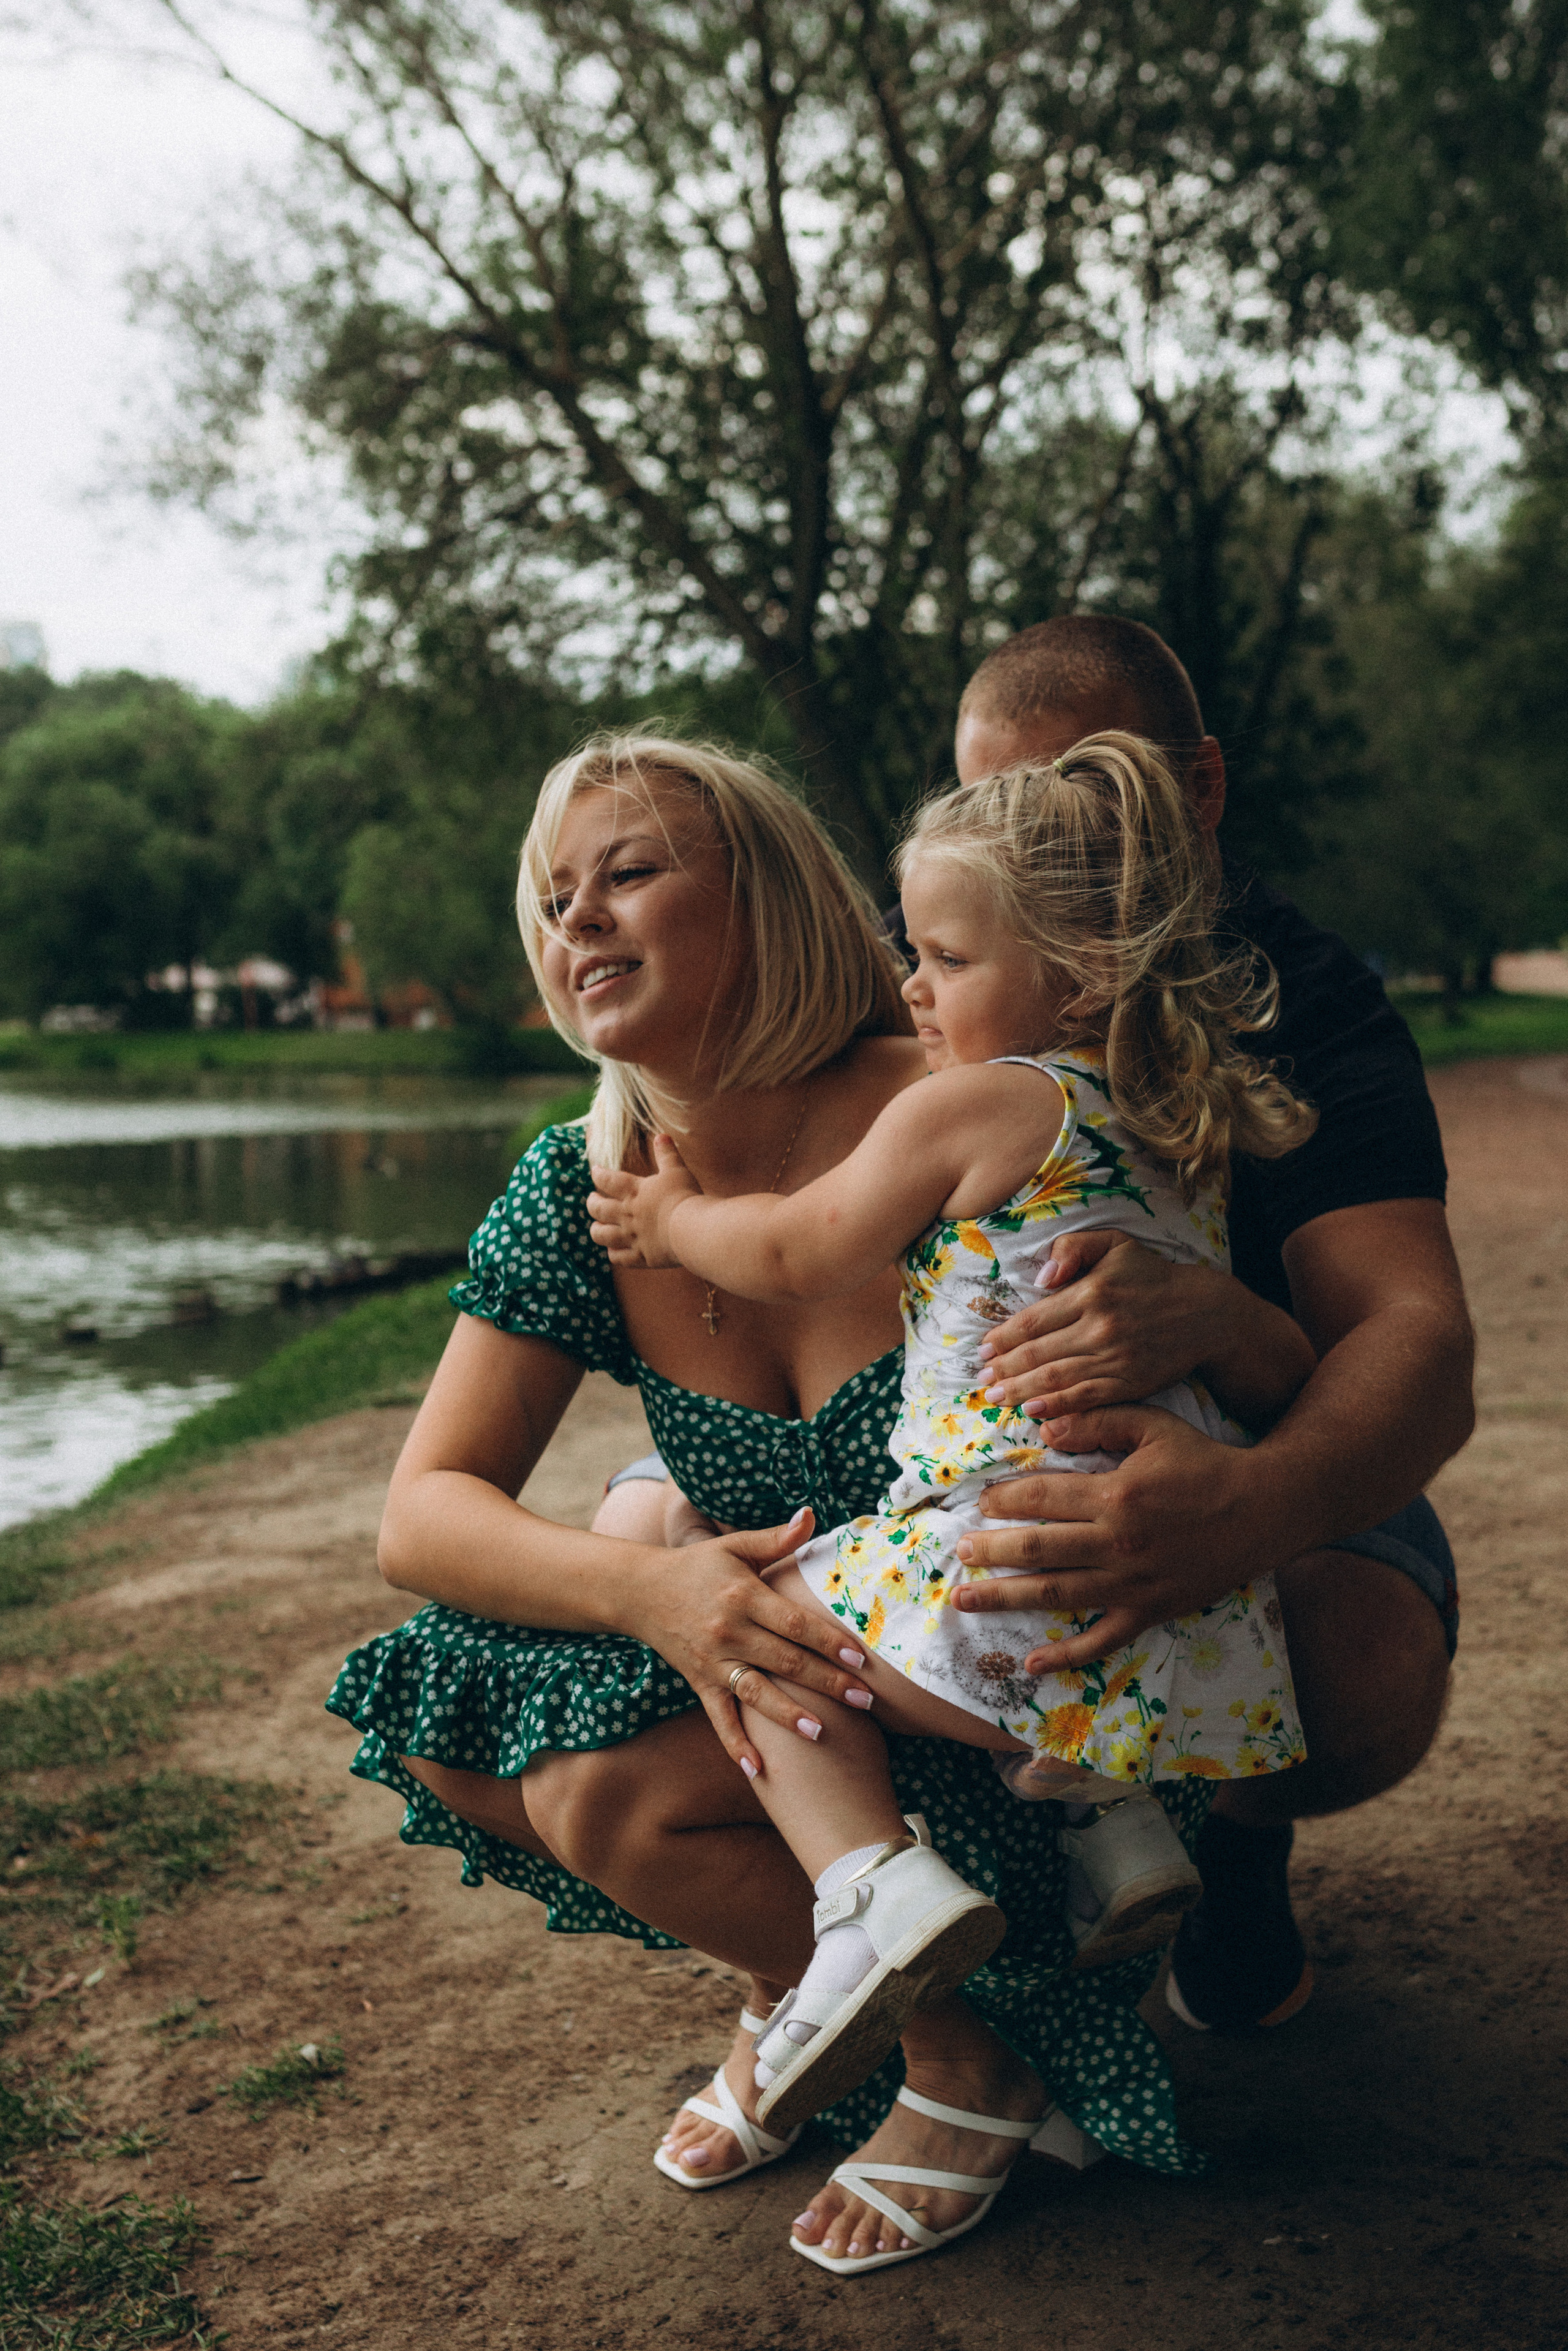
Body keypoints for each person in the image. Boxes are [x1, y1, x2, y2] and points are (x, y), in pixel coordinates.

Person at [328, 731, 1221, 2281]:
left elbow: (1205, 1302)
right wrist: (660, 1592)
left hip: (1033, 1733)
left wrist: (1205, 1317)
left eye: (629, 873)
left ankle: (964, 2054)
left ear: (769, 901)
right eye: (552, 897)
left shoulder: (958, 1100)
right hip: (812, 1716)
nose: (578, 920)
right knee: (445, 1703)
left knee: (604, 1788)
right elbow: (421, 1515)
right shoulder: (588, 1183)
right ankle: (821, 1966)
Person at [605, 614, 1471, 2042]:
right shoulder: (966, 972)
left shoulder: (1280, 1007)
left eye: (1079, 801)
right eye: (992, 807)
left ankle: (1130, 1857)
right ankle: (1090, 1825)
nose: (1037, 842)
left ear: (1192, 788)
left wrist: (1240, 1464)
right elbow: (771, 1081)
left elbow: (1411, 1342)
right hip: (921, 1442)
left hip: (1191, 1453)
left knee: (790, 1629)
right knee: (661, 1510)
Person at [584, 734, 1318, 2191]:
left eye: (939, 956)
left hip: (1005, 1562)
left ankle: (868, 1886)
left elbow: (801, 1245)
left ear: (1079, 975)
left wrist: (671, 1228)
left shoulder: (975, 1102)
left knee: (765, 1616)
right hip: (1177, 1612)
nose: (907, 987)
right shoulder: (1166, 1125)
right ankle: (1109, 1823)